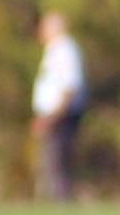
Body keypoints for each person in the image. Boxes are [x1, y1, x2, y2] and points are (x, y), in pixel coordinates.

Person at [32, 12, 87, 200]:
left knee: (58, 163)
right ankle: (57, 202)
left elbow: (69, 87)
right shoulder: (54, 50)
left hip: (62, 115)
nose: (41, 31)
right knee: (51, 164)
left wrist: (52, 117)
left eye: (45, 26)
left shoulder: (65, 50)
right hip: (56, 115)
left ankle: (63, 205)